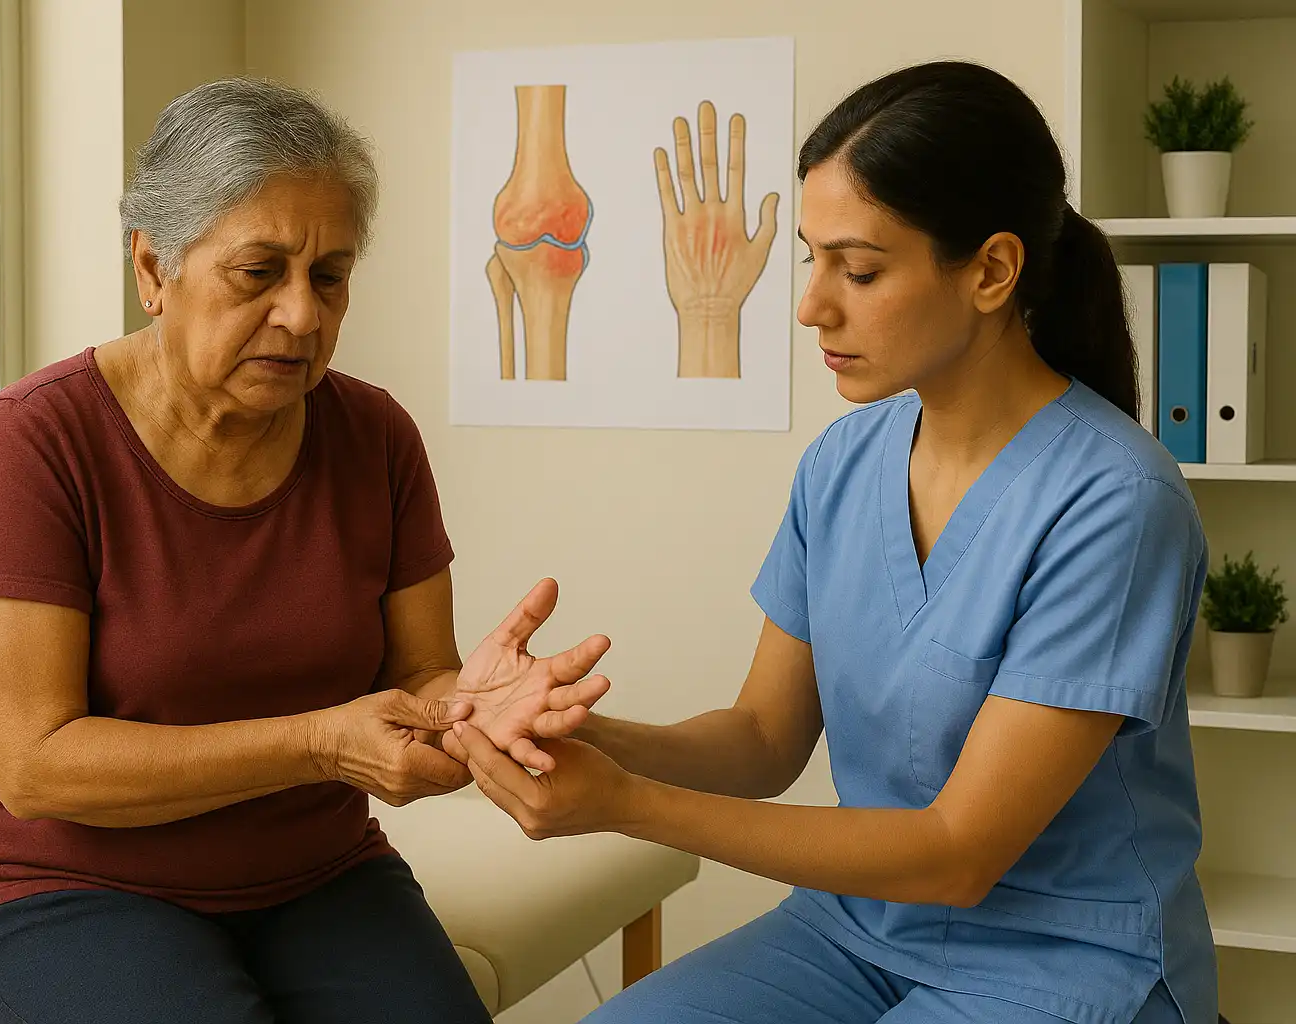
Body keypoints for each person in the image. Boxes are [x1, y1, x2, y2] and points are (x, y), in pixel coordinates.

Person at [454, 60, 1217, 1024]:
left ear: (991, 270)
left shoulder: (1115, 501)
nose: (813, 304)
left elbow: (959, 851)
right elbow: (763, 740)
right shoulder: (843, 464)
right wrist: (572, 735)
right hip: (857, 933)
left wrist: (625, 807)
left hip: (1063, 959)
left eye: (859, 269)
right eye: (812, 259)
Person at [0, 77, 610, 1024]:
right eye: (259, 272)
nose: (303, 314)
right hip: (56, 885)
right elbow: (38, 765)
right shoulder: (36, 440)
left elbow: (419, 675)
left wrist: (471, 709)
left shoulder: (375, 437)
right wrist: (319, 743)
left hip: (313, 874)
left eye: (329, 275)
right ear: (154, 270)